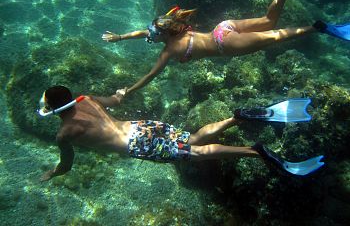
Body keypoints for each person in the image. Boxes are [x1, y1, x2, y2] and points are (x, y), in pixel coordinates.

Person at [101, 0, 348, 97]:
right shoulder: (175, 30)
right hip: (223, 27)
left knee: (275, 36)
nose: (149, 36)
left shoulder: (169, 50)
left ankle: (318, 28)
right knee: (268, 20)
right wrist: (120, 37)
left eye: (152, 34)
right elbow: (141, 33)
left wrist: (128, 90)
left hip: (225, 45)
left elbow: (149, 77)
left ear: (163, 34)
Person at [39, 86, 323, 181]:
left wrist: (53, 173)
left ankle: (255, 151)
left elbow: (66, 165)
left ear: (53, 108)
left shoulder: (64, 133)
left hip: (135, 145)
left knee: (196, 154)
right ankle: (235, 118)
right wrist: (119, 93)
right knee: (193, 139)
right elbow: (115, 100)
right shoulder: (87, 99)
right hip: (142, 126)